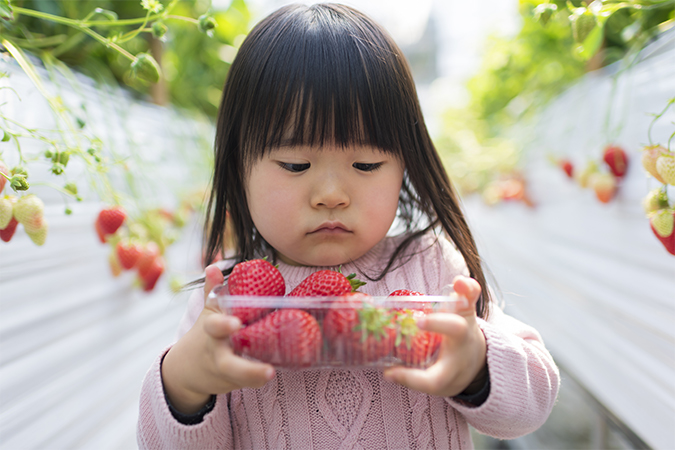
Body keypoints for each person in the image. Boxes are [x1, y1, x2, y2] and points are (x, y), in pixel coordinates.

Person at [137, 3, 559, 448]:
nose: (332, 194)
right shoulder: (231, 296)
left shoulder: (431, 266)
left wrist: (476, 364)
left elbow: (533, 404)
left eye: (365, 163)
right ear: (238, 167)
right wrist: (185, 386)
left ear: (405, 165)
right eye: (296, 164)